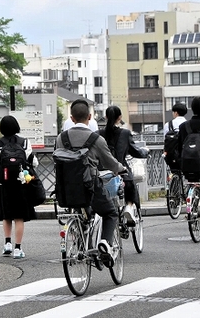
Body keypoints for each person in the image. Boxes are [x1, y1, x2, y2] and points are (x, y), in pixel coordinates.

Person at [54, 100, 125, 260]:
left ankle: (82, 238)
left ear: (71, 118)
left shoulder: (61, 138)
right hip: (90, 187)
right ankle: (105, 243)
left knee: (83, 213)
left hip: (66, 189)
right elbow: (110, 163)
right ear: (90, 117)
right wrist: (122, 169)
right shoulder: (96, 139)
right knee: (110, 213)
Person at [0, 116, 36, 259]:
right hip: (21, 184)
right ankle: (18, 249)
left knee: (6, 215)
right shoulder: (25, 143)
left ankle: (7, 244)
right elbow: (34, 163)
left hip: (3, 184)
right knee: (19, 217)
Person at [100, 105, 149, 226]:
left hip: (103, 174)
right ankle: (129, 206)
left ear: (105, 117)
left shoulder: (98, 134)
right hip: (121, 172)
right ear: (120, 117)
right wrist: (145, 152)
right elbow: (135, 151)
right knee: (130, 185)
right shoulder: (125, 133)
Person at [162, 102, 188, 174]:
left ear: (176, 113)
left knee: (174, 171)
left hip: (172, 154)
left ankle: (175, 180)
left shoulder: (168, 125)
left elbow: (165, 139)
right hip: (186, 153)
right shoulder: (188, 124)